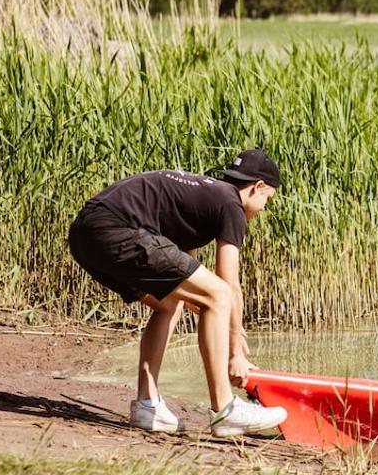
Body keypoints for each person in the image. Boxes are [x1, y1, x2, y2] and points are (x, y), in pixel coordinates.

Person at [68, 149, 288, 436]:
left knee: (170, 302)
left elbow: (187, 271)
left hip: (85, 234)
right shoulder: (231, 204)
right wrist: (236, 351)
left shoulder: (202, 198)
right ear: (258, 187)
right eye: (267, 200)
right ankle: (225, 409)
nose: (263, 209)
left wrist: (210, 309)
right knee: (219, 293)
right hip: (116, 228)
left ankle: (147, 404)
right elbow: (228, 283)